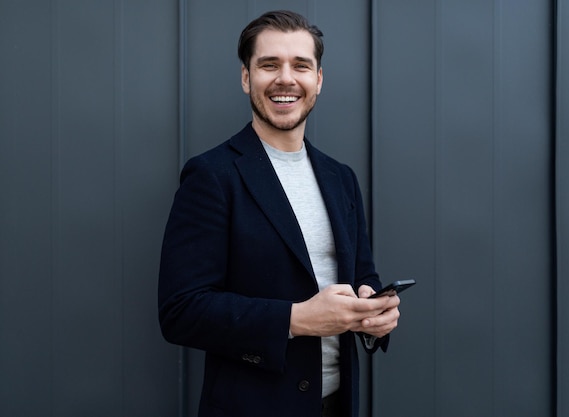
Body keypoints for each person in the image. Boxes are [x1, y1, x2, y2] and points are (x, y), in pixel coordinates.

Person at [158, 10, 401, 417]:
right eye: (269, 64)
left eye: (301, 66)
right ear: (246, 77)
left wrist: (375, 311)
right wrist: (298, 318)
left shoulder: (340, 178)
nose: (286, 78)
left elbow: (363, 277)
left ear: (318, 80)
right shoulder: (212, 175)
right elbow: (181, 311)